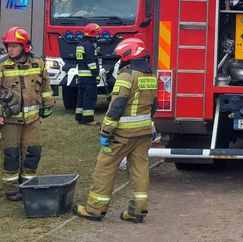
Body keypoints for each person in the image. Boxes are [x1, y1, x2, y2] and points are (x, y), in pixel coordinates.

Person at [74, 37, 158, 223]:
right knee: (140, 169)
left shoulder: (126, 76)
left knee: (105, 167)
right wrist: (150, 126)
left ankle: (95, 209)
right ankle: (138, 211)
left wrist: (105, 132)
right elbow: (154, 106)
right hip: (143, 133)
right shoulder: (151, 76)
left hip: (122, 135)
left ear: (128, 55)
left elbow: (116, 108)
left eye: (121, 56)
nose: (120, 60)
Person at [0, 27, 55, 201]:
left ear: (25, 46)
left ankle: (28, 186)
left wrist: (48, 104)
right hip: (10, 121)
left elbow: (45, 85)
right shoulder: (2, 65)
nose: (10, 49)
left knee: (32, 153)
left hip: (33, 120)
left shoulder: (38, 63)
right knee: (11, 155)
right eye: (8, 46)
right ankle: (11, 190)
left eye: (14, 46)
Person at [75, 23, 101, 125]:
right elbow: (91, 63)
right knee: (90, 97)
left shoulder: (80, 44)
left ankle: (79, 117)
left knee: (81, 96)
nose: (98, 35)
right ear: (93, 33)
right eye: (97, 33)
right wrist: (96, 75)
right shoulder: (89, 46)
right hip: (89, 76)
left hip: (81, 75)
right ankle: (88, 119)